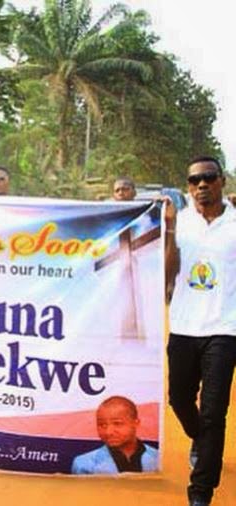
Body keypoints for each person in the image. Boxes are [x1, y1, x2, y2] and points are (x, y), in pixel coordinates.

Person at [164, 155, 236, 506]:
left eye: (209, 177)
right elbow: (167, 276)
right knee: (179, 399)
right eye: (195, 180)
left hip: (225, 328)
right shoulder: (180, 222)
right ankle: (202, 440)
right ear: (188, 187)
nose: (202, 184)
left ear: (222, 181)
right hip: (183, 326)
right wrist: (170, 230)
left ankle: (200, 493)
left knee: (213, 411)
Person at [71, 396, 158, 474]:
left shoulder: (159, 459)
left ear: (136, 423)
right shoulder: (84, 464)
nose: (108, 432)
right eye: (102, 425)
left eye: (117, 423)